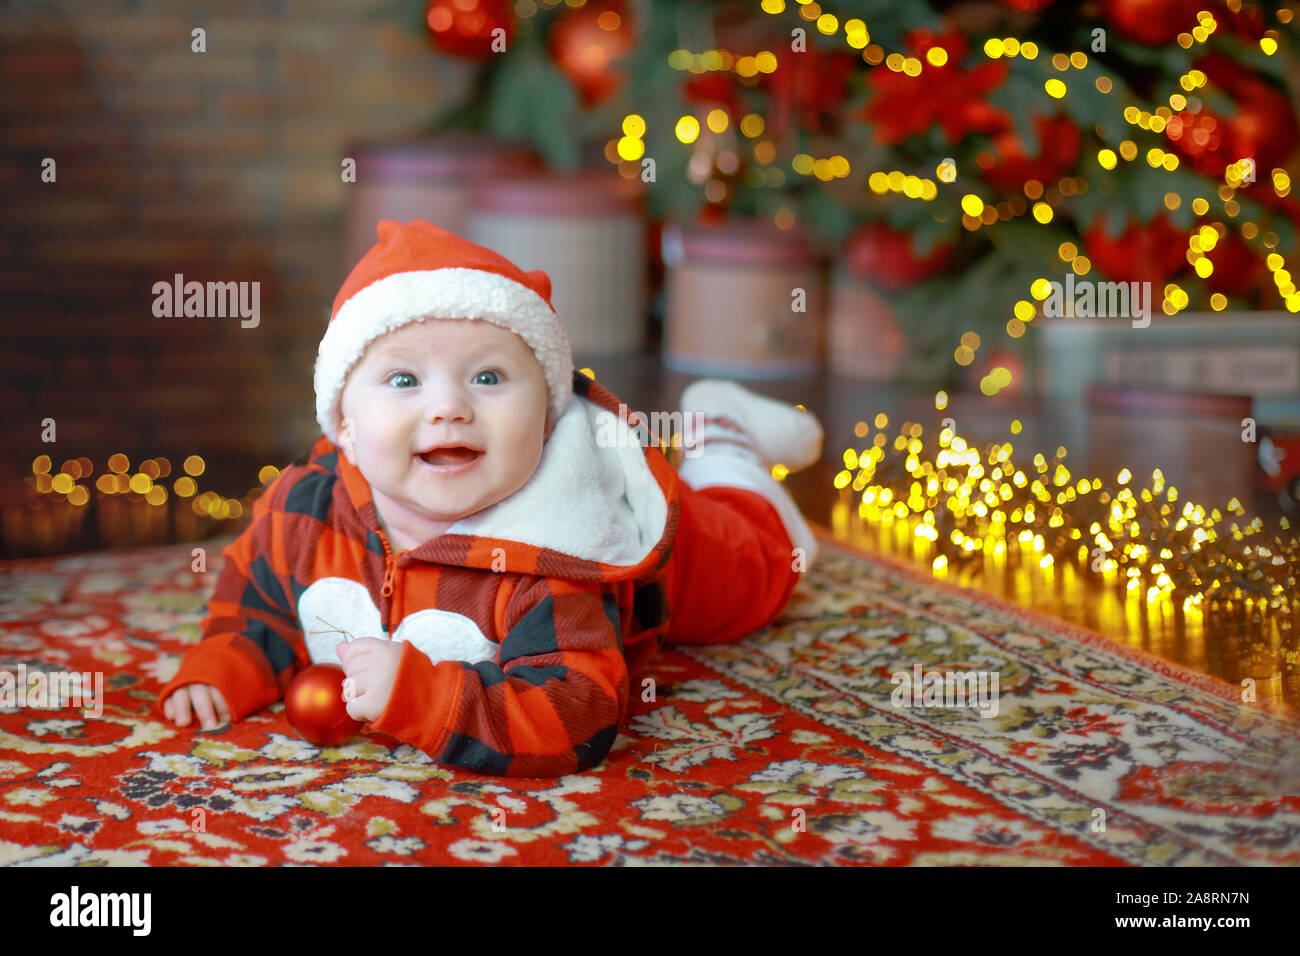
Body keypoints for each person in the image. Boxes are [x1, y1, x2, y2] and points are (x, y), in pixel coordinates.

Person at [157, 219, 823, 777]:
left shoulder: (555, 546)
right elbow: (258, 600)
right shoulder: (304, 509)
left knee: (758, 571)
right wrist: (223, 666)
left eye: (487, 375)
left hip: (683, 559)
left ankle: (725, 437)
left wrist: (420, 695)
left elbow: (576, 715)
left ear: (544, 418)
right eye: (403, 378)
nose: (448, 407)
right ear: (346, 430)